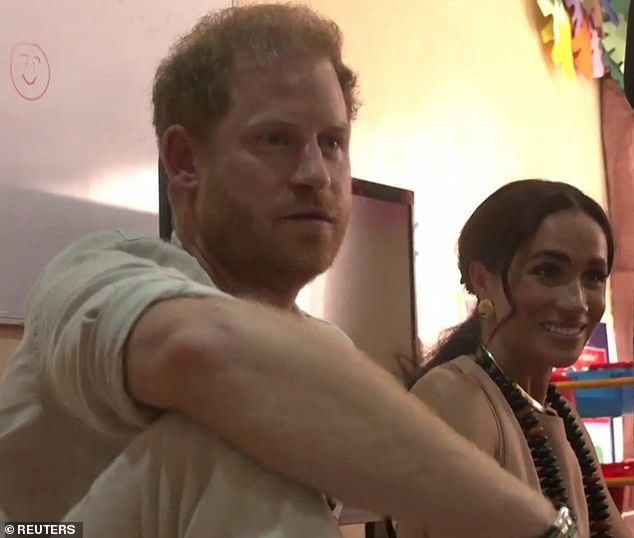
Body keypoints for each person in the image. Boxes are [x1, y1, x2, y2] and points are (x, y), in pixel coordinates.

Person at [0, 5, 575, 537]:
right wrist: (541, 527)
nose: (316, 174)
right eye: (276, 140)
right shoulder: (96, 275)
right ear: (184, 161)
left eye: (332, 142)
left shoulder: (325, 347)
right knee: (240, 435)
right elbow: (200, 354)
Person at [399, 179, 631, 538]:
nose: (578, 303)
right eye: (548, 272)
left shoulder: (558, 415)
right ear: (482, 281)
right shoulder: (453, 398)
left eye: (593, 277)